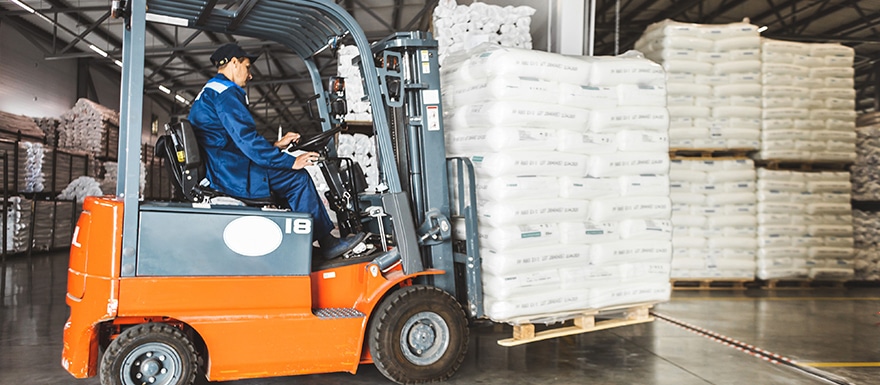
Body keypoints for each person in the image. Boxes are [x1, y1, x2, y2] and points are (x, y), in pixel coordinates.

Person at [187, 43, 365, 259]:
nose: (250, 75)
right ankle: (327, 243)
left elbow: (232, 139)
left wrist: (276, 145)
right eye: (248, 67)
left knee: (289, 174)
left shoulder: (211, 90)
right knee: (298, 178)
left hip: (225, 164)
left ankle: (304, 241)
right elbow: (247, 142)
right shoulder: (227, 94)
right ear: (234, 63)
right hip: (233, 172)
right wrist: (292, 162)